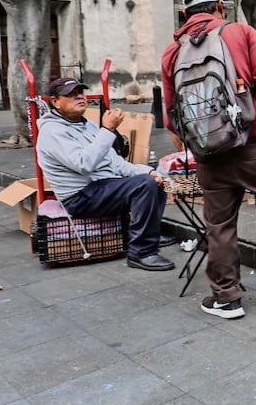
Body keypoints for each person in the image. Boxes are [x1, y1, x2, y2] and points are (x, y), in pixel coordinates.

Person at [161, 0, 256, 319]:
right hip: (253, 142)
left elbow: (171, 114)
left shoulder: (172, 52)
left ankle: (226, 297)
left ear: (185, 14)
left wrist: (200, 142)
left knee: (219, 224)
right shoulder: (241, 33)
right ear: (219, 8)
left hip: (209, 155)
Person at [35, 77, 176, 271]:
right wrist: (108, 129)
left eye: (80, 93)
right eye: (70, 95)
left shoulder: (89, 126)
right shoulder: (52, 131)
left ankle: (150, 233)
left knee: (153, 180)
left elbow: (116, 164)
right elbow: (83, 164)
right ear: (55, 102)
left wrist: (149, 171)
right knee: (144, 185)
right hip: (79, 197)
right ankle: (141, 252)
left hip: (102, 186)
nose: (79, 98)